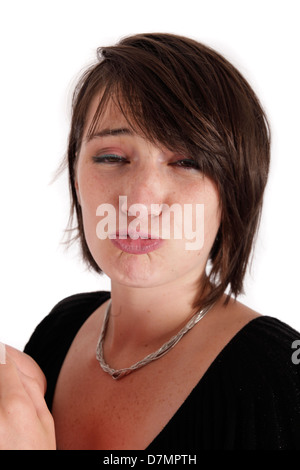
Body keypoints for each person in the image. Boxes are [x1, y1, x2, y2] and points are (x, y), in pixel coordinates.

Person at [1, 32, 300, 450]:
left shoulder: (280, 375)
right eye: (111, 158)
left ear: (236, 191)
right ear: (76, 176)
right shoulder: (60, 328)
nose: (139, 201)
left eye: (187, 162)